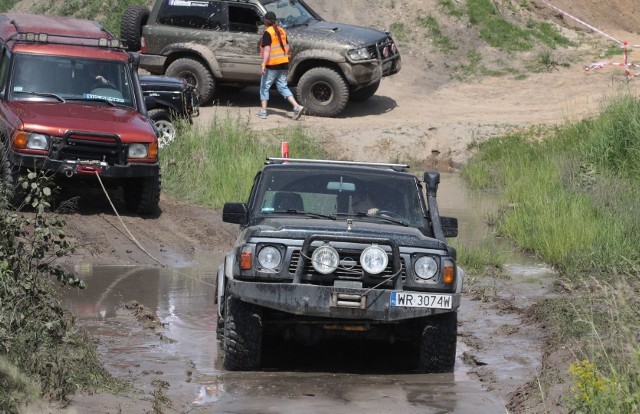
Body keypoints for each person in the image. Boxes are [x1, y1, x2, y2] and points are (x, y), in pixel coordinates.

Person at [257, 11, 304, 120]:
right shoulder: (282, 31)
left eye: (264, 19)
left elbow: (267, 49)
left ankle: (263, 111)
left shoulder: (268, 32)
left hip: (272, 64)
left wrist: (263, 64)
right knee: (282, 86)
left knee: (264, 87)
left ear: (266, 21)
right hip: (283, 64)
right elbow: (287, 46)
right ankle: (297, 107)